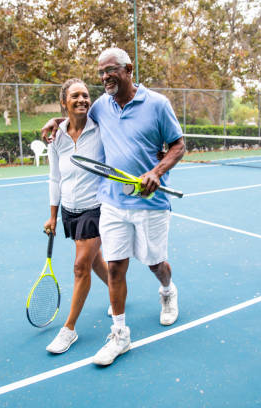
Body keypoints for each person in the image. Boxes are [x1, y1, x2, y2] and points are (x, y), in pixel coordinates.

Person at [42, 48, 185, 366]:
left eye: (110, 70)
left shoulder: (158, 104)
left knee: (154, 263)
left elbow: (178, 144)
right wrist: (57, 121)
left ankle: (167, 290)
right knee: (116, 267)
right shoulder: (101, 107)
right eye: (101, 72)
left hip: (151, 203)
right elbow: (75, 117)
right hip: (112, 202)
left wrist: (156, 172)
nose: (105, 76)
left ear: (128, 69)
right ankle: (120, 334)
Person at [43, 78, 111, 354]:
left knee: (80, 266)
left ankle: (68, 329)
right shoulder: (55, 136)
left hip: (96, 207)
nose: (82, 99)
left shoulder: (101, 128)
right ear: (64, 102)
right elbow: (54, 178)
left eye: (85, 95)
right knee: (94, 262)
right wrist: (52, 216)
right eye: (75, 96)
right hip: (69, 211)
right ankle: (116, 288)